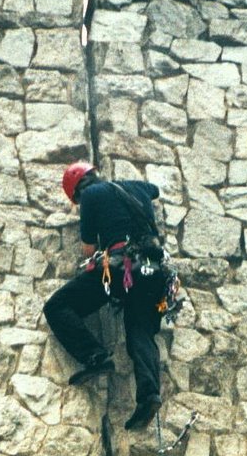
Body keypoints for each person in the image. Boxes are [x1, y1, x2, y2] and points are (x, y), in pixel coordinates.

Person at [44, 161, 167, 431]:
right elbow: (154, 190)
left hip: (122, 267)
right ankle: (149, 396)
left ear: (77, 192)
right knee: (140, 332)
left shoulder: (90, 196)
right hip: (154, 271)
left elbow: (89, 250)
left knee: (57, 306)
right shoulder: (135, 187)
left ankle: (95, 356)